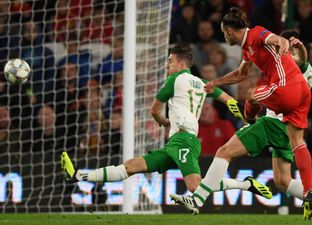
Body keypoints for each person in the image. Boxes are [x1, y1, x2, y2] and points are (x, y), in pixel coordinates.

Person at [170, 27, 312, 222]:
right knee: (282, 182)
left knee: (224, 151)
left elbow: (258, 84)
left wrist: (249, 114)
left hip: (272, 124)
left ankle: (197, 199)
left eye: (279, 44)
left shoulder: (288, 64)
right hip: (290, 127)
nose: (275, 47)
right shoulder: (307, 70)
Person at [61, 44, 272, 197]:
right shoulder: (202, 82)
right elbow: (228, 100)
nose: (166, 66)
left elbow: (154, 110)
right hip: (175, 143)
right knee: (132, 166)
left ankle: (245, 185)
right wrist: (244, 116)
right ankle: (79, 175)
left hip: (184, 140)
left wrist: (162, 119)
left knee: (195, 187)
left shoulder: (174, 79)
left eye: (170, 61)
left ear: (181, 63)